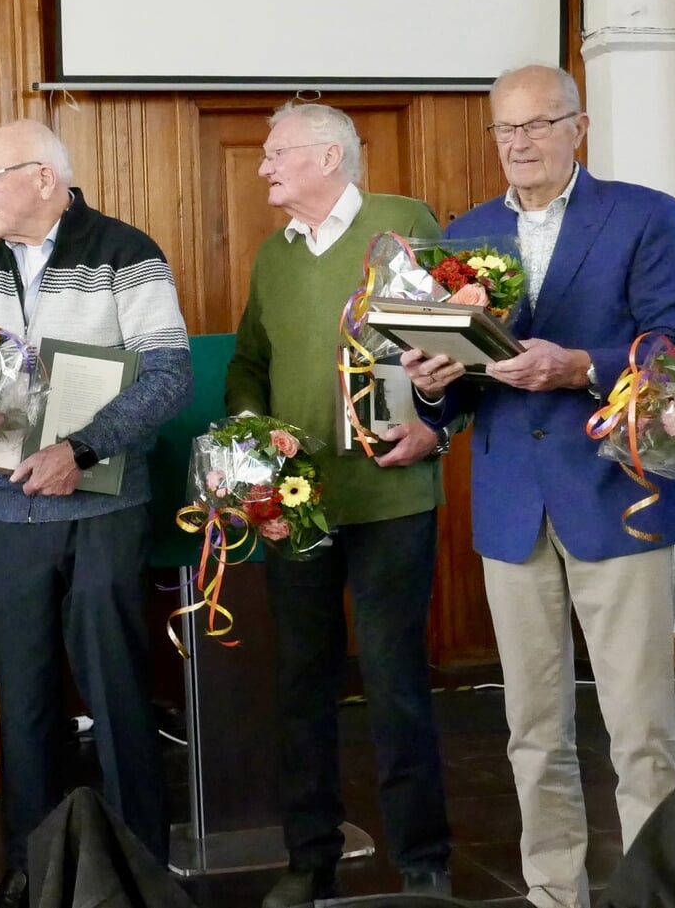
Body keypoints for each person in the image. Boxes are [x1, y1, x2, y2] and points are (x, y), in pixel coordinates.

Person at [405, 64, 675, 908]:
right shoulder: (462, 235)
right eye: (505, 130)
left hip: (619, 491)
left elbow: (674, 345)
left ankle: (661, 892)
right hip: (512, 506)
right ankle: (552, 891)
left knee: (642, 728)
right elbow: (459, 389)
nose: (520, 144)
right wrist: (432, 383)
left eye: (538, 125)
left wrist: (578, 366)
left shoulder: (643, 214)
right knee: (533, 731)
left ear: (579, 126)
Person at [227, 102, 455, 906]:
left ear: (329, 156)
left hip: (392, 498)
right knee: (301, 686)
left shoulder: (404, 224)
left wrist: (435, 428)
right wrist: (251, 436)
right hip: (299, 507)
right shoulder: (274, 257)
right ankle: (309, 857)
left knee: (395, 683)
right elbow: (250, 361)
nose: (264, 167)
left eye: (276, 153)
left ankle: (424, 863)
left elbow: (456, 342)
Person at [0, 119, 192, 908]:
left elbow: (169, 377)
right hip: (7, 513)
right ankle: (36, 874)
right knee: (22, 706)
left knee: (118, 695)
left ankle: (138, 877)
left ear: (45, 179)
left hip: (103, 506)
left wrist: (83, 450)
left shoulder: (126, 249)